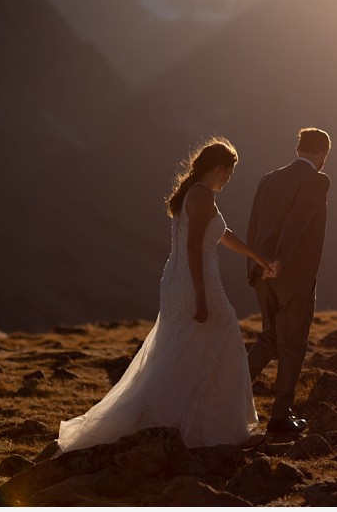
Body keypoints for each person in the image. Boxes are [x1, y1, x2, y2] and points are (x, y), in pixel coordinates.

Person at [57, 137, 270, 452]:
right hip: (196, 281)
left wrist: (257, 257)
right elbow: (194, 247)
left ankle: (195, 426)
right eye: (229, 173)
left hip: (176, 279)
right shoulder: (203, 196)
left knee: (183, 350)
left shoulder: (193, 193)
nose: (229, 179)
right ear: (221, 168)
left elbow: (222, 233)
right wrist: (200, 296)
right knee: (220, 342)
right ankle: (218, 431)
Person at [246, 127, 332, 434]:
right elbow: (299, 219)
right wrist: (280, 260)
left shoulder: (268, 179)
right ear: (323, 154)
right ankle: (280, 419)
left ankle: (227, 396)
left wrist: (257, 265)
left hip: (261, 272)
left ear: (298, 149)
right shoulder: (317, 180)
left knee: (269, 336)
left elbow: (254, 224)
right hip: (291, 274)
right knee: (293, 345)